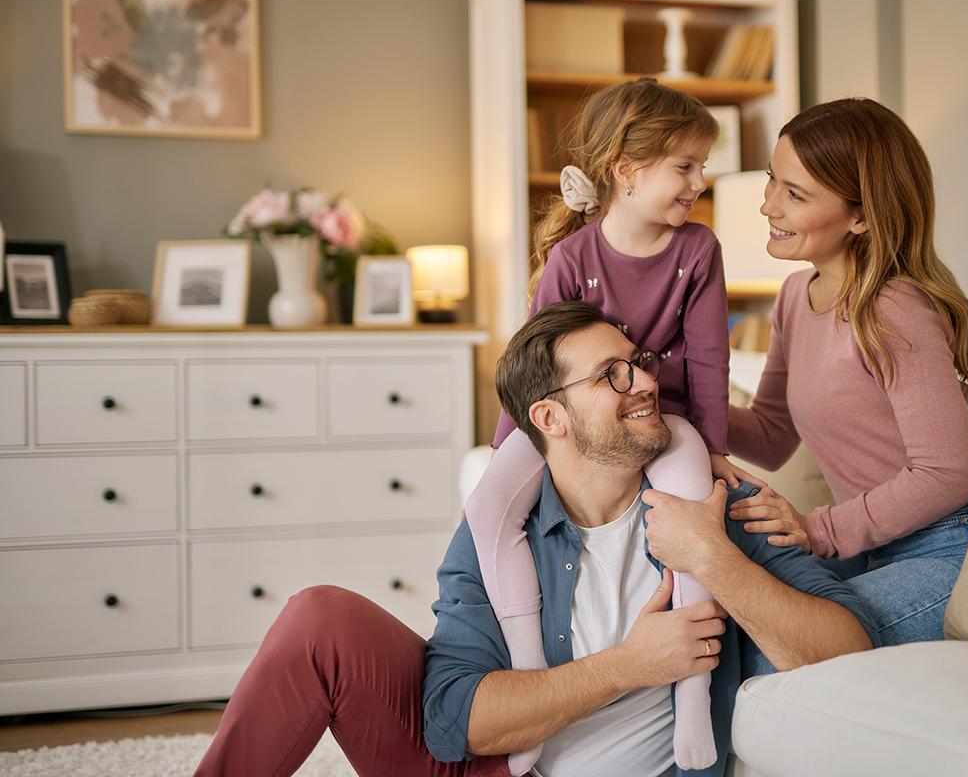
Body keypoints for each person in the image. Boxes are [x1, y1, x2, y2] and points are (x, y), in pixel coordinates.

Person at [193, 301, 877, 777]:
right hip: (501, 772)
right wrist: (629, 666)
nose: (645, 383)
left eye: (636, 362)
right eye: (612, 375)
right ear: (549, 416)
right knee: (320, 616)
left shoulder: (719, 507)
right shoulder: (498, 534)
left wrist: (710, 557)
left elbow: (850, 653)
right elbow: (450, 720)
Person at [464, 77, 744, 772]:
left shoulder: (698, 251)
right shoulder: (572, 258)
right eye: (685, 165)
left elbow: (709, 360)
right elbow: (530, 363)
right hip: (578, 419)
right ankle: (528, 668)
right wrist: (514, 455)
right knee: (488, 501)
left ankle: (691, 697)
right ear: (626, 170)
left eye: (701, 167)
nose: (698, 182)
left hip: (665, 422)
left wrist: (713, 451)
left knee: (693, 517)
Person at [716, 98, 968, 646]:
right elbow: (772, 435)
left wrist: (817, 529)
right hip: (877, 545)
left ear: (862, 216)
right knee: (724, 627)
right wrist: (681, 400)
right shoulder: (793, 297)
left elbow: (949, 473)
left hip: (956, 546)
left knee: (766, 649)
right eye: (771, 181)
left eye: (794, 194)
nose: (768, 208)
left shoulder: (893, 309)